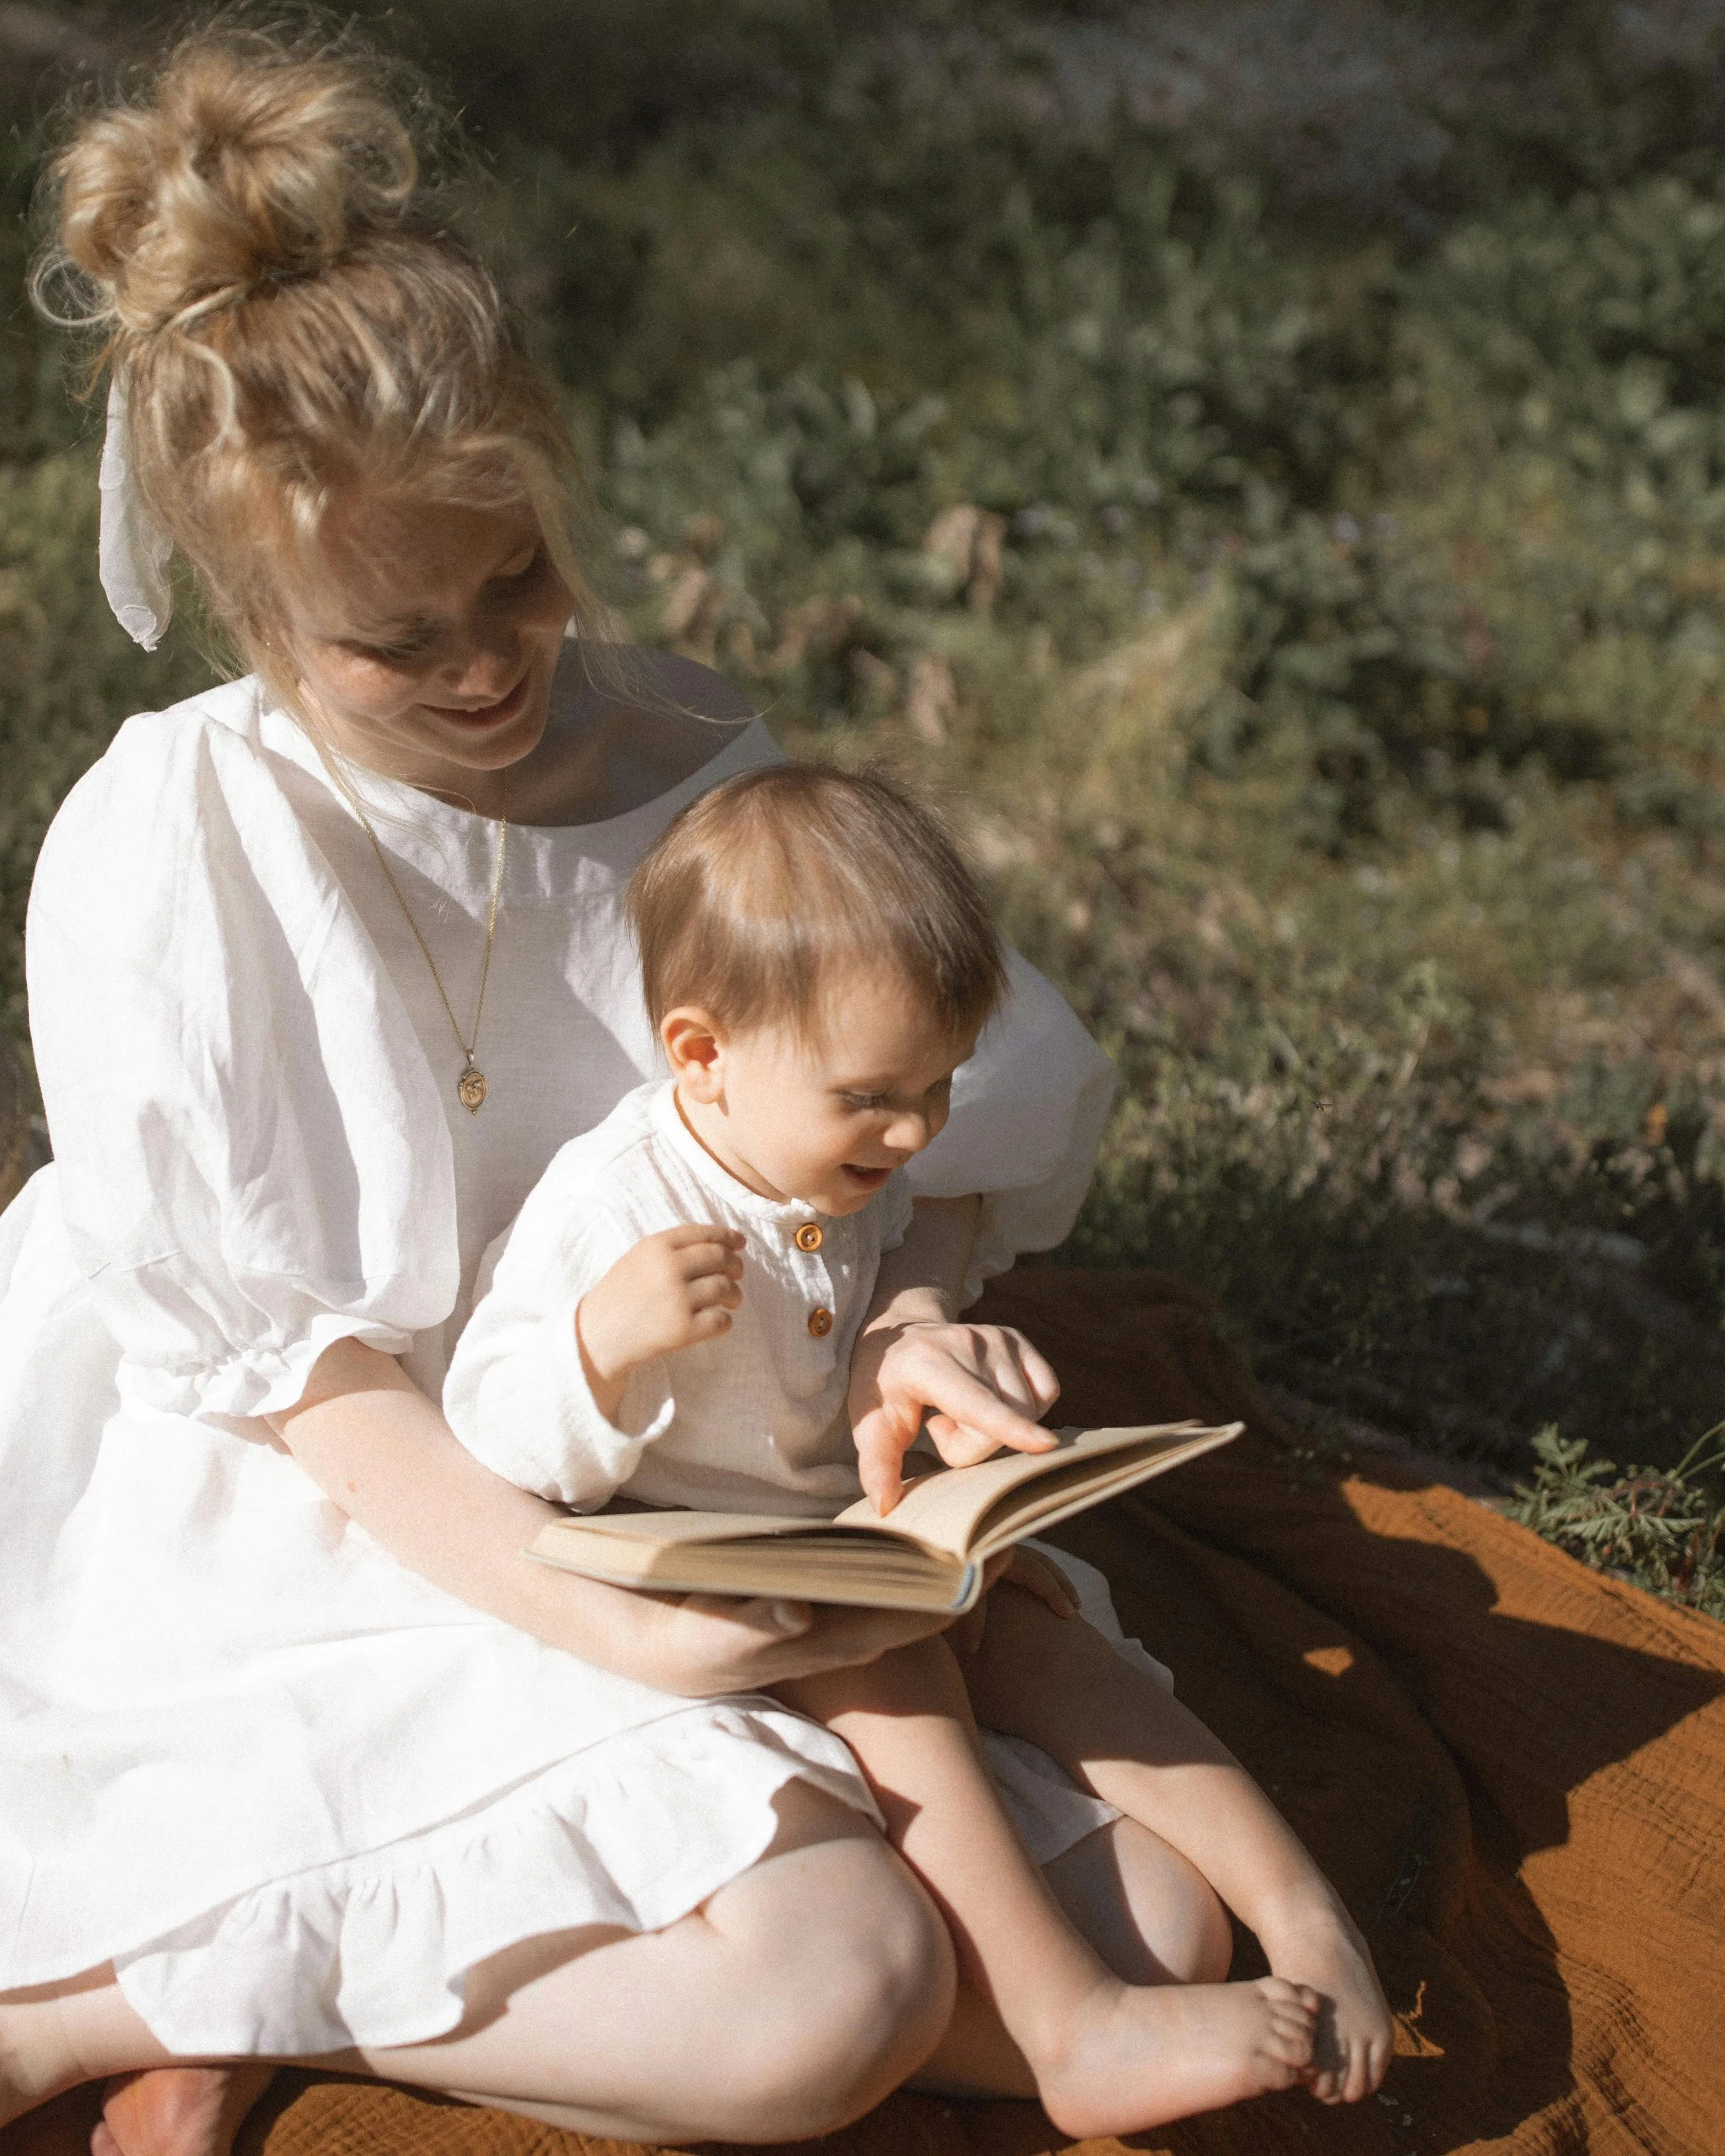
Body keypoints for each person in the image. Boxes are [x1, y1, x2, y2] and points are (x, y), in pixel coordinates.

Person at [0, 22, 1243, 2156]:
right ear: (248, 596)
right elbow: (307, 1381)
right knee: (830, 1991)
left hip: (693, 1470)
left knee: (1163, 1920)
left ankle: (320, 1970)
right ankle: (117, 1996)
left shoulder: (689, 772)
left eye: (519, 580)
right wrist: (599, 1620)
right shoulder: (177, 844)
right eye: (395, 641)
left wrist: (907, 1311)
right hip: (344, 1500)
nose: (489, 665)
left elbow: (873, 1137)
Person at [444, 762, 1393, 2135]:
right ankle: (1069, 2022)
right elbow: (489, 1418)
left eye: (937, 1086)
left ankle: (1304, 1916)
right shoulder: (617, 1205)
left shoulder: (823, 1160)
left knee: (1035, 1620)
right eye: (873, 1096)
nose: (912, 1130)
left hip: (833, 1531)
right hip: (671, 1583)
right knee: (883, 1651)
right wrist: (597, 1345)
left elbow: (841, 1337)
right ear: (701, 1054)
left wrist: (907, 1358)